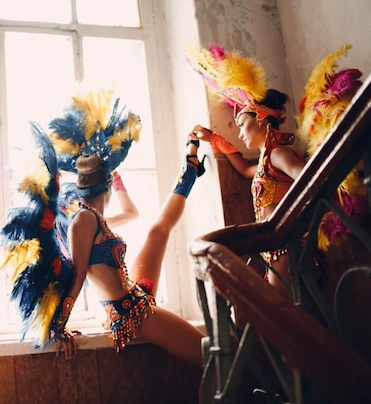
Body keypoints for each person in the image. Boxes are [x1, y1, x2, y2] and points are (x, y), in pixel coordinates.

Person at [53, 131, 207, 365]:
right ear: (106, 191)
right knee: (212, 356)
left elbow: (132, 213)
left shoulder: (95, 217)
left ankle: (191, 169)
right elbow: (78, 277)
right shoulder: (84, 219)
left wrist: (116, 178)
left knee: (157, 231)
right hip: (130, 314)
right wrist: (59, 327)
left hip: (134, 297)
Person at [190, 88, 306, 298]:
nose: (240, 133)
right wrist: (214, 139)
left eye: (242, 124)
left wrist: (287, 217)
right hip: (273, 246)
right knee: (284, 317)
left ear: (260, 118)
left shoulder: (278, 154)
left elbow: (308, 179)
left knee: (286, 317)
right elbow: (244, 169)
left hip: (285, 244)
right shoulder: (266, 161)